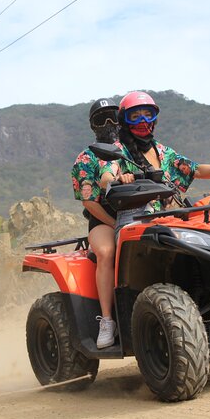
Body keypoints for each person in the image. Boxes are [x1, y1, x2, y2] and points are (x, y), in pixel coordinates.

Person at [101, 91, 210, 214]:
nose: (142, 121)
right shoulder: (118, 150)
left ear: (154, 120)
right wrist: (120, 179)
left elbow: (196, 170)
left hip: (169, 220)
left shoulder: (164, 152)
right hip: (135, 221)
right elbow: (105, 178)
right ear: (124, 121)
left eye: (148, 115)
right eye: (135, 117)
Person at [71, 98, 120, 349]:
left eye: (113, 116)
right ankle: (107, 320)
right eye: (102, 119)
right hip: (105, 218)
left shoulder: (135, 149)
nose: (109, 123)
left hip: (142, 213)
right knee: (106, 251)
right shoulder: (85, 159)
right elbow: (89, 203)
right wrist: (114, 223)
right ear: (93, 125)